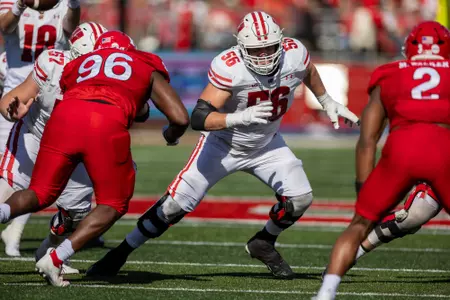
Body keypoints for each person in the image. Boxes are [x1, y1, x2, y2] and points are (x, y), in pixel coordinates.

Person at [86, 11, 359, 280]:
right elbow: (199, 117)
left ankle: (263, 241)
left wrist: (327, 101)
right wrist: (238, 117)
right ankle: (119, 254)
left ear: (281, 43)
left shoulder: (294, 53)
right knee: (173, 206)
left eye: (269, 48)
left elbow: (308, 70)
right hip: (222, 145)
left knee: (301, 199)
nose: (264, 56)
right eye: (256, 50)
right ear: (241, 49)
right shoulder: (231, 66)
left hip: (267, 144)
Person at [0, 30, 190, 287]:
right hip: (102, 123)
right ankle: (55, 259)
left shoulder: (76, 65)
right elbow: (179, 117)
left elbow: (81, 95)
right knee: (113, 202)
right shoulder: (143, 62)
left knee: (41, 193)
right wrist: (170, 134)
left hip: (63, 119)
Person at [314, 21, 450, 300]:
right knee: (415, 213)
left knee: (360, 223)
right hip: (444, 149)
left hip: (402, 148)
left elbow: (368, 138)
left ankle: (326, 293)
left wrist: (363, 187)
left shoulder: (389, 73)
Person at [0, 22, 106, 274]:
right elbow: (12, 97)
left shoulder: (108, 77)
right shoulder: (52, 62)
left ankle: (49, 252)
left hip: (74, 145)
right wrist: (12, 111)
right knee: (6, 194)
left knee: (75, 215)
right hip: (36, 135)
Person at [0, 0, 80, 257]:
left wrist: (75, 3)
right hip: (17, 93)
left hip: (49, 94)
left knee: (36, 172)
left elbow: (70, 28)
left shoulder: (66, 5)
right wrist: (21, 6)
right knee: (12, 174)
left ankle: (17, 229)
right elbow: (4, 26)